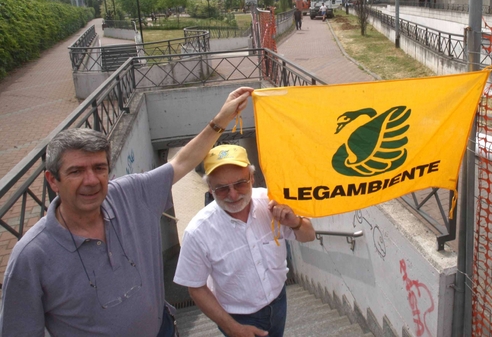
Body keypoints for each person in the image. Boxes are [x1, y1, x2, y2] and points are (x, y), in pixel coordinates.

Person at [0, 87, 254, 337]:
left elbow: (182, 162)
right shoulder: (31, 258)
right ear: (53, 180)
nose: (91, 180)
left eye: (99, 168)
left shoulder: (129, 194)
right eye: (76, 171)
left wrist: (222, 119)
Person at [173, 144, 316, 337]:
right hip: (238, 318)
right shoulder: (198, 232)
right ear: (210, 188)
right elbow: (196, 287)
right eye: (222, 188)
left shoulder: (271, 201)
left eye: (240, 183)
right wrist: (232, 328)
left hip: (279, 301)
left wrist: (296, 222)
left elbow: (309, 236)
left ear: (252, 178)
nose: (233, 195)